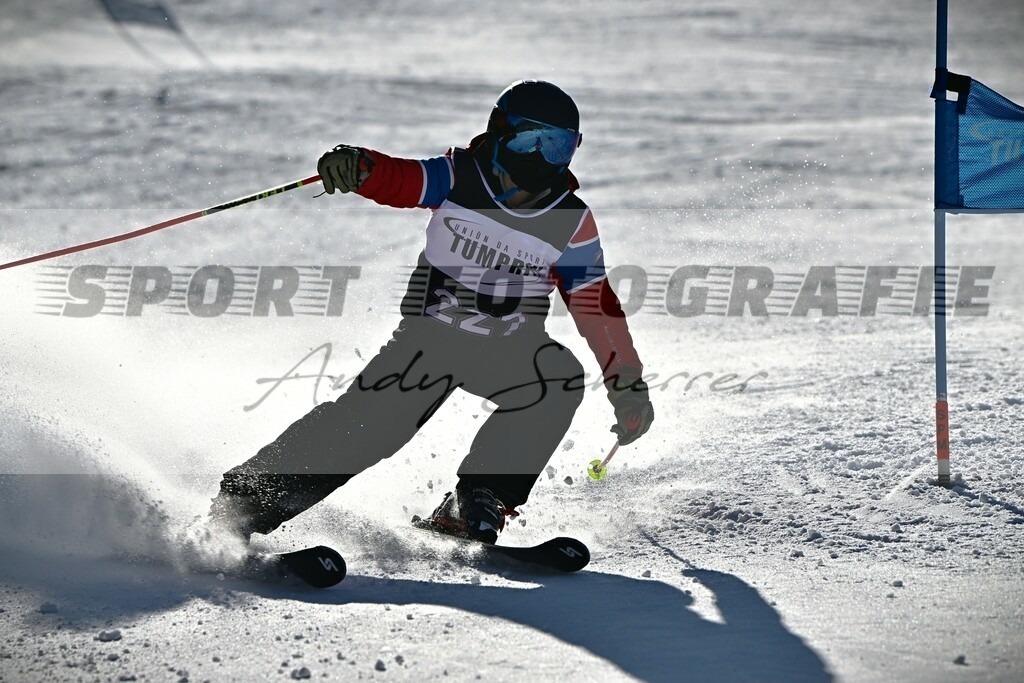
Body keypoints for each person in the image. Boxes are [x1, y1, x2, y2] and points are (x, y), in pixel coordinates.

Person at [208, 80, 654, 545]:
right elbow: (400, 179)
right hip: (430, 342)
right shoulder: (460, 176)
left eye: (558, 147)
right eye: (530, 140)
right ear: (500, 132)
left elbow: (596, 307)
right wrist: (360, 166)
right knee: (370, 428)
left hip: (510, 349)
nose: (542, 158)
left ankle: (477, 500)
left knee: (556, 378)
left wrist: (627, 385)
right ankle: (244, 506)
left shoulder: (570, 219)